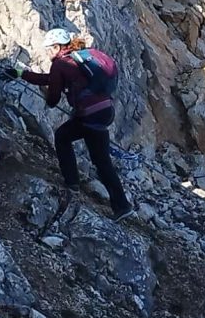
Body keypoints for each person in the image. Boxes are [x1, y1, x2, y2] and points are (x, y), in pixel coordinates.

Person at [20, 27, 131, 221]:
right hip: (105, 111)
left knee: (63, 137)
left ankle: (72, 183)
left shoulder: (60, 64)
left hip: (89, 115)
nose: (48, 53)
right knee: (101, 160)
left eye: (49, 49)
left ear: (57, 47)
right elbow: (49, 78)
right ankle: (122, 205)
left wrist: (50, 98)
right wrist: (22, 73)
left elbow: (53, 97)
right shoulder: (79, 59)